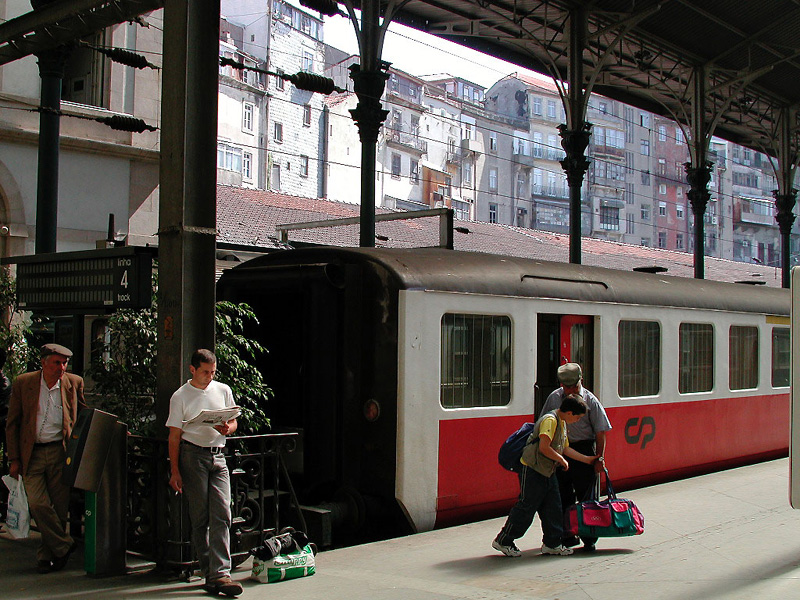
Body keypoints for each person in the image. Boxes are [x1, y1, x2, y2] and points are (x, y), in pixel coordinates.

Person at [166, 349, 243, 598]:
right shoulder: (180, 396)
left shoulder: (222, 390)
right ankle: (212, 572)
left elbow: (234, 420)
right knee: (200, 516)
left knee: (222, 512)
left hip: (218, 454)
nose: (210, 377)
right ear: (192, 370)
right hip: (193, 455)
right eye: (205, 372)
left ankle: (220, 573)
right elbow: (174, 436)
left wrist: (227, 427)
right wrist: (175, 470)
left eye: (213, 372)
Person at [5, 343, 86, 573]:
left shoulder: (73, 382)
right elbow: (13, 423)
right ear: (43, 362)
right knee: (38, 503)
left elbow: (83, 413)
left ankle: (48, 556)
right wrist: (14, 458)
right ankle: (64, 545)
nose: (61, 368)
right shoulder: (25, 383)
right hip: (32, 453)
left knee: (59, 507)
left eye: (64, 363)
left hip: (60, 451)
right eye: (56, 363)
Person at [492, 394, 597, 557]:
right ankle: (504, 540)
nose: (577, 421)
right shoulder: (550, 420)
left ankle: (552, 543)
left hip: (547, 470)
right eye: (578, 417)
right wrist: (561, 459)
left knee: (553, 507)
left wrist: (588, 460)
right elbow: (544, 447)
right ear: (569, 413)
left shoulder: (561, 422)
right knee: (527, 507)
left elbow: (565, 448)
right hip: (533, 469)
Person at [540, 362, 612, 552]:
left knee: (587, 496)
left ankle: (589, 537)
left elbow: (601, 432)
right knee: (563, 496)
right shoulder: (554, 398)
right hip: (562, 451)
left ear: (581, 381)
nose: (570, 389)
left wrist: (599, 458)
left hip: (585, 449)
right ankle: (568, 536)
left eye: (574, 385)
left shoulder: (591, 400)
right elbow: (543, 423)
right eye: (566, 386)